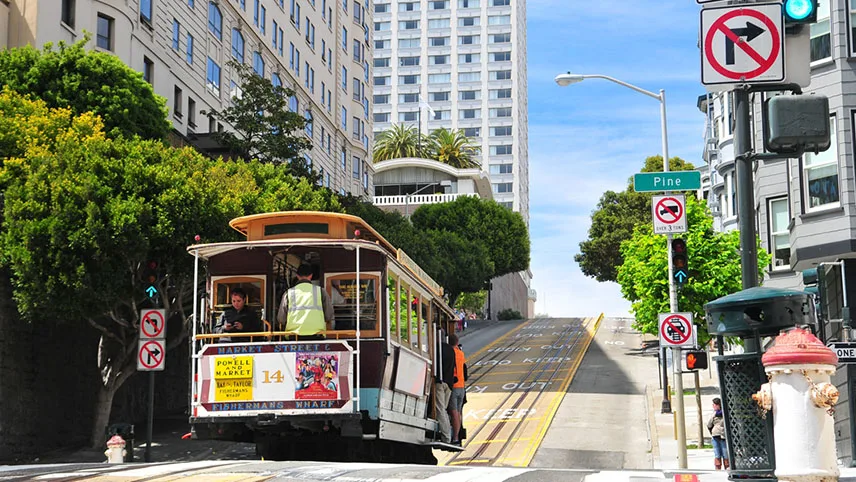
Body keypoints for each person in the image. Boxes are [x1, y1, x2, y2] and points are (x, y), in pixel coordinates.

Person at [276, 263, 334, 340]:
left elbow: (281, 319)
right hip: (317, 335)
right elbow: (329, 315)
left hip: (294, 336)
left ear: (297, 276)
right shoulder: (320, 291)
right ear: (311, 276)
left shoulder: (288, 293)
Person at [434, 331, 456, 443]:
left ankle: (446, 437)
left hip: (440, 382)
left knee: (440, 409)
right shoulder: (451, 350)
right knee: (444, 410)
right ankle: (448, 434)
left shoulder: (436, 348)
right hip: (449, 384)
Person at [448, 334, 467, 446]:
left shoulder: (452, 353)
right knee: (458, 412)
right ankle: (458, 436)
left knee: (454, 412)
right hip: (461, 387)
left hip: (454, 387)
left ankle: (455, 438)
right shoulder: (461, 353)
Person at [707, 397, 729, 470]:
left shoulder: (715, 414)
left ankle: (722, 468)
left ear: (718, 405)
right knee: (721, 454)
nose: (713, 406)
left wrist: (712, 431)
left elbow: (709, 425)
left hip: (720, 436)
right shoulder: (724, 413)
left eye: (714, 405)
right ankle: (722, 468)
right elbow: (709, 424)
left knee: (721, 453)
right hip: (720, 436)